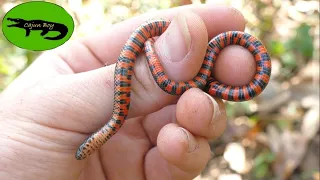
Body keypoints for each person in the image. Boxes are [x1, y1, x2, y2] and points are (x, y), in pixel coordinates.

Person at [0, 4, 256, 180]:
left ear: (94, 141)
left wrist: (154, 63)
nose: (84, 151)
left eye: (86, 148)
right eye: (86, 149)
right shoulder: (113, 123)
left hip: (150, 42)